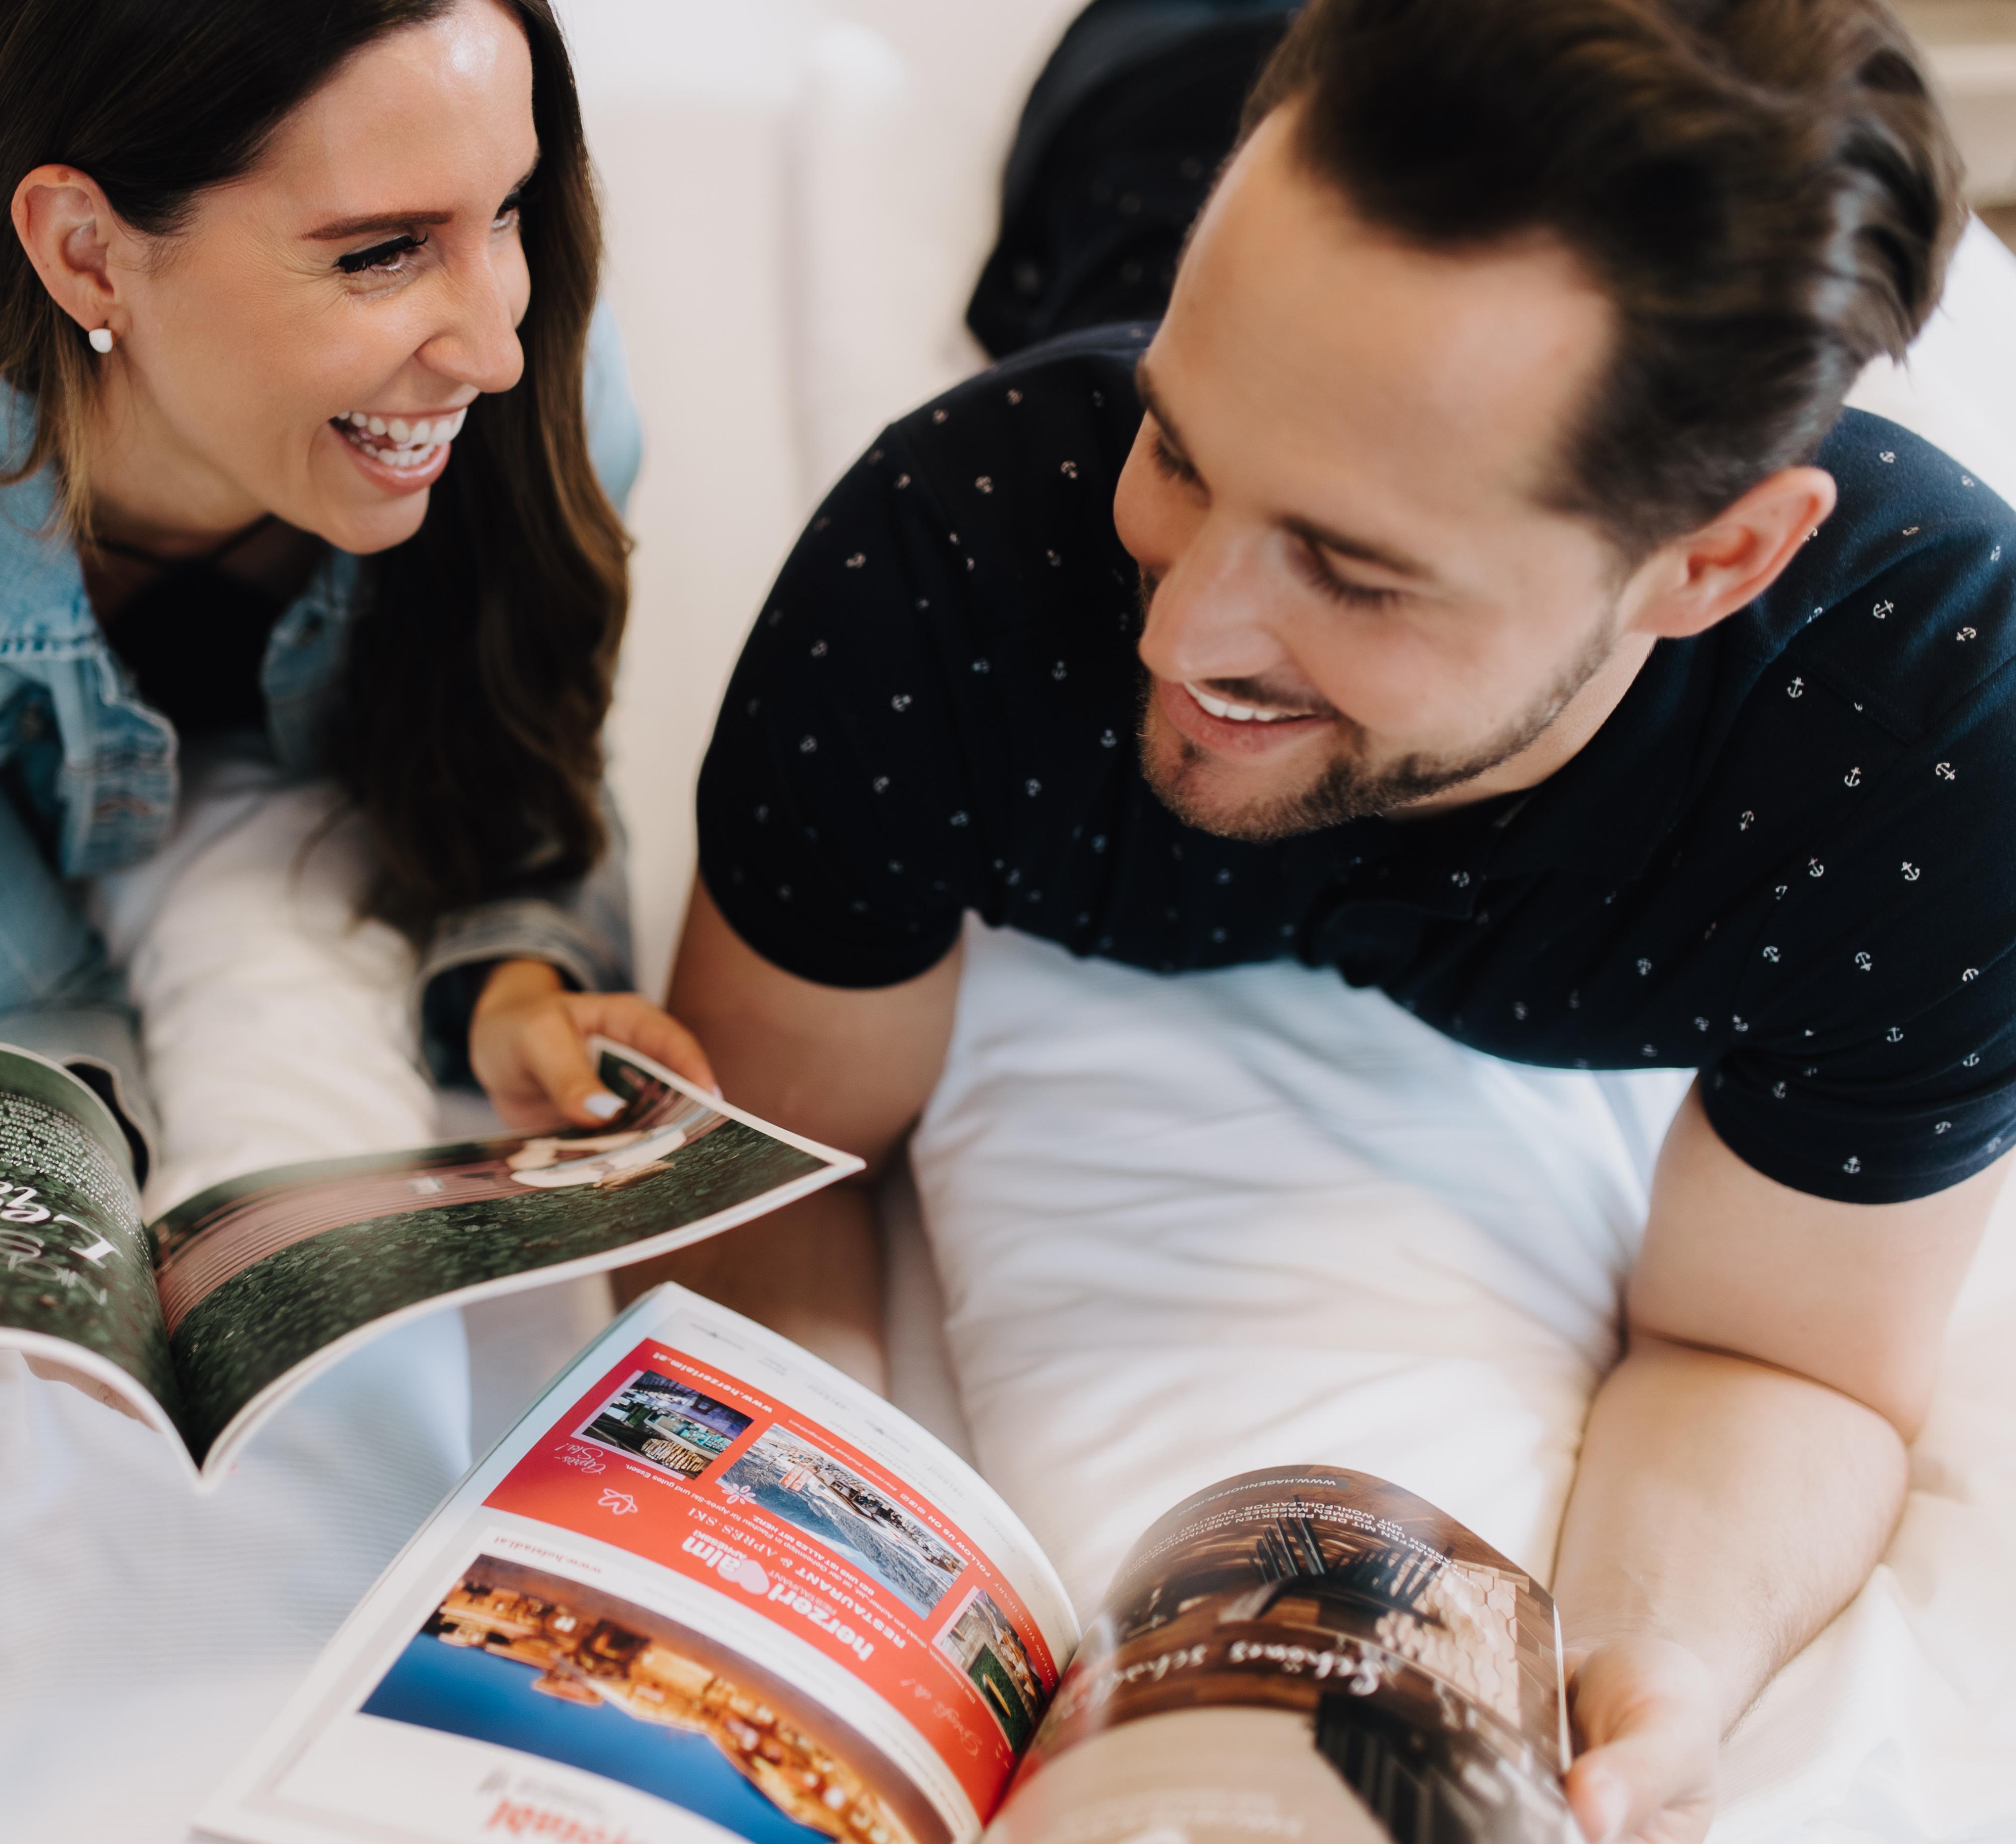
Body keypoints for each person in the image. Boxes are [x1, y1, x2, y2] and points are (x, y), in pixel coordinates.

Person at [648, 0, 2006, 1836]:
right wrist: (807, 1601)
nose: (1179, 632)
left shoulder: (1926, 748)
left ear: (1714, 560)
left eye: (1353, 573)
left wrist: (1657, 1675)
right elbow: (771, 1160)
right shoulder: (960, 553)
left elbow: (1776, 1346)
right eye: (1180, 453)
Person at [0, 0, 710, 1185]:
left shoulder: (542, 376)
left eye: (506, 208)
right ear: (87, 256)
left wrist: (520, 982)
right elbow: (0, 990)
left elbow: (519, 757)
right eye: (380, 253)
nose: (495, 352)